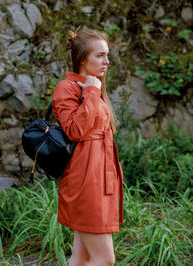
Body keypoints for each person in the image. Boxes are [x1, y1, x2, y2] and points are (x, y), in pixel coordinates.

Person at [51, 27, 124, 266]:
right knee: (105, 259)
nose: (107, 61)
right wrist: (92, 91)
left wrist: (93, 89)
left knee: (81, 258)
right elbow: (74, 130)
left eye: (107, 55)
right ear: (83, 59)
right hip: (85, 180)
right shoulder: (68, 88)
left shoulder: (92, 87)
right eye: (100, 55)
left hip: (100, 178)